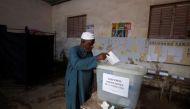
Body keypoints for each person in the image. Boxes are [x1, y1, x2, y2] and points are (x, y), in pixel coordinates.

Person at [65, 32, 108, 109]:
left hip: (85, 82)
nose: (92, 46)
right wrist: (97, 58)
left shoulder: (89, 52)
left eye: (93, 44)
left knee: (84, 100)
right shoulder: (73, 50)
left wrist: (103, 65)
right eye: (90, 44)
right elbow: (77, 64)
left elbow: (90, 64)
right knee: (74, 100)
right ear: (82, 41)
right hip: (74, 81)